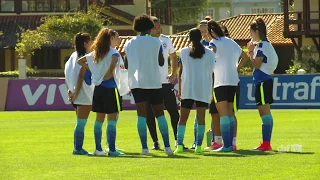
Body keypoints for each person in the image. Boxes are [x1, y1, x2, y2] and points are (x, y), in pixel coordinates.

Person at [124, 14, 172, 155]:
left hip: (137, 82)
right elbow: (161, 62)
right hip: (154, 82)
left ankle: (144, 148)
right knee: (160, 114)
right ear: (150, 27)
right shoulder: (156, 42)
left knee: (141, 115)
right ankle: (168, 147)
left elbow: (127, 64)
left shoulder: (129, 43)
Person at [77, 28, 125, 156]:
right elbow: (112, 68)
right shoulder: (114, 53)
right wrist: (107, 75)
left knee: (99, 119)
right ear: (111, 39)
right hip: (111, 89)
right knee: (112, 119)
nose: (119, 40)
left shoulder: (95, 53)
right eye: (117, 37)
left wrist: (93, 70)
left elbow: (80, 61)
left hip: (98, 89)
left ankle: (98, 149)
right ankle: (112, 149)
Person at [207, 20, 248, 152]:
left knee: (223, 114)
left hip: (220, 81)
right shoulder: (232, 42)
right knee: (231, 113)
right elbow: (245, 56)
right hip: (234, 81)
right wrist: (237, 68)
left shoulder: (214, 43)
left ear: (212, 32)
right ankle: (232, 144)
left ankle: (227, 145)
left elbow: (211, 54)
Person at [146, 16, 185, 150]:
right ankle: (156, 142)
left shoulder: (165, 40)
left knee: (173, 112)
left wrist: (173, 72)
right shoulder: (144, 41)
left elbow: (173, 55)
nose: (158, 29)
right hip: (149, 83)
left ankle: (178, 140)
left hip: (165, 83)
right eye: (155, 27)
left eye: (159, 27)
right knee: (150, 114)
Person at [174, 28, 215, 154]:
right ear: (201, 37)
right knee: (201, 118)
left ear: (189, 38)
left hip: (187, 87)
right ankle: (198, 146)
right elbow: (212, 72)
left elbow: (180, 72)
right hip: (203, 88)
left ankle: (179, 145)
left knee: (183, 118)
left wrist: (180, 89)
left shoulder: (183, 52)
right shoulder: (210, 53)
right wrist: (212, 90)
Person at [247, 18, 278, 151]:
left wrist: (250, 52)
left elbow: (257, 64)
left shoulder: (261, 46)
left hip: (263, 81)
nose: (250, 34)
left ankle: (266, 144)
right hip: (264, 80)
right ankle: (266, 143)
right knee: (264, 111)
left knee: (264, 111)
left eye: (251, 31)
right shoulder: (266, 45)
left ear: (257, 31)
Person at [65, 32, 94, 155]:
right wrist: (76, 92)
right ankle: (77, 148)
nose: (92, 43)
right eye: (90, 41)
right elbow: (81, 75)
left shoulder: (72, 56)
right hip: (82, 93)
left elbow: (66, 73)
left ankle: (78, 148)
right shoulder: (84, 57)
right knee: (81, 123)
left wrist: (70, 90)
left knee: (80, 122)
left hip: (74, 92)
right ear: (85, 44)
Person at [189, 19, 213, 149]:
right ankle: (196, 141)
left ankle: (216, 139)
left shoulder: (215, 44)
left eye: (205, 31)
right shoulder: (198, 47)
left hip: (214, 83)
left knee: (216, 114)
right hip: (202, 85)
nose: (203, 34)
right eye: (201, 31)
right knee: (199, 115)